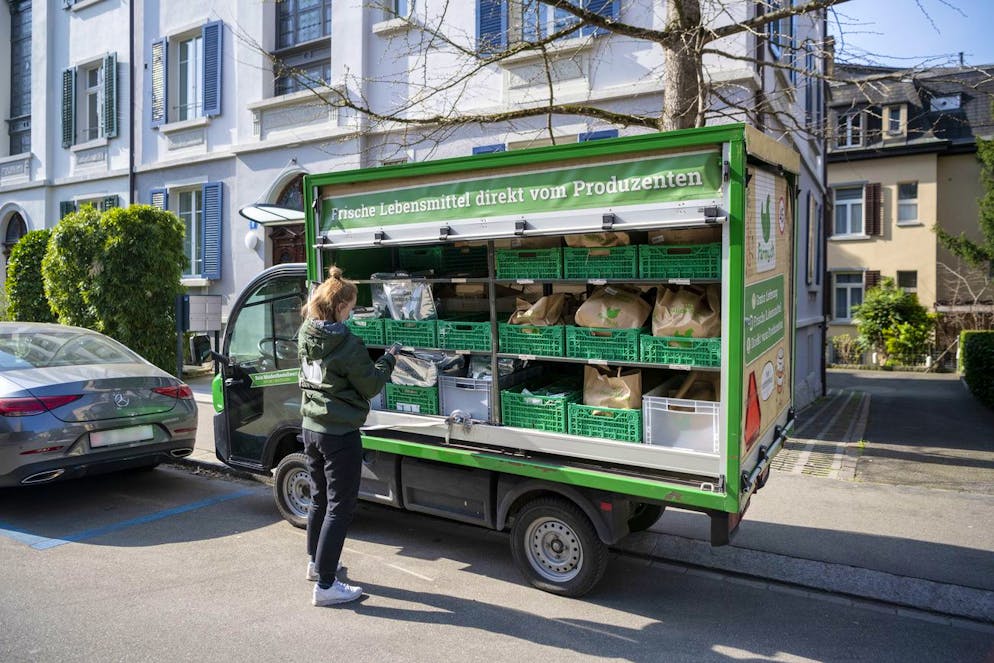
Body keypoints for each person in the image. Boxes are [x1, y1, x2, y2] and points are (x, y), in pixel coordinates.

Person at [298, 266, 397, 606]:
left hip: (311, 427)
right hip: (339, 433)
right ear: (339, 307)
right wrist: (388, 360)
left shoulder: (306, 333)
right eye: (352, 308)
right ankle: (326, 586)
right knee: (340, 507)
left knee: (319, 500)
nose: (352, 313)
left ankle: (316, 564)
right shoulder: (346, 343)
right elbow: (369, 384)